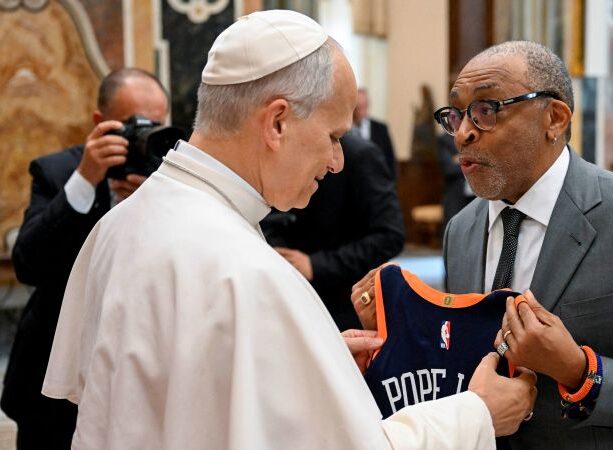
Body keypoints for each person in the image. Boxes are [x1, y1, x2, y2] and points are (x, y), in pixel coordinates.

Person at [41, 11, 536, 449]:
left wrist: (310, 361)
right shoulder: (252, 274)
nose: (338, 161)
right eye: (333, 135)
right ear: (277, 122)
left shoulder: (120, 225)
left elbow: (169, 391)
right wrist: (477, 414)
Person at [353, 40, 613, 448]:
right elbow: (470, 364)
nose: (462, 133)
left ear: (554, 117)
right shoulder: (462, 229)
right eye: (456, 115)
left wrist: (582, 371)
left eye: (486, 110)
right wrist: (397, 335)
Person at [1, 68, 168, 450]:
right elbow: (28, 264)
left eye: (154, 124)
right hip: (53, 376)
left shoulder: (169, 177)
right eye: (131, 125)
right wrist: (85, 180)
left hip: (138, 368)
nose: (142, 133)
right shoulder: (59, 171)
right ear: (100, 121)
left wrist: (156, 200)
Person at [263, 132, 404, 331]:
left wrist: (316, 265)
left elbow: (390, 236)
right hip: (288, 298)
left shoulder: (362, 155)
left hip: (343, 306)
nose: (336, 162)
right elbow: (272, 217)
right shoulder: (281, 150)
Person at [352, 87, 396, 178]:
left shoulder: (381, 129)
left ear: (368, 105)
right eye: (358, 107)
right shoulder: (344, 130)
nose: (360, 111)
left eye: (363, 106)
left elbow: (390, 159)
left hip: (377, 181)